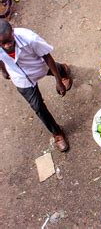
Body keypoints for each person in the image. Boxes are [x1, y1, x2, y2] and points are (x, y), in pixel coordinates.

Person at [0, 20, 72, 151]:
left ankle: (64, 71)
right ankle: (57, 132)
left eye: (9, 40)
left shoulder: (29, 38)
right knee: (38, 107)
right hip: (21, 78)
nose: (7, 45)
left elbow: (47, 57)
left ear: (13, 32)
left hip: (38, 66)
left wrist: (58, 81)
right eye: (2, 43)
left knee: (54, 69)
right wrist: (3, 71)